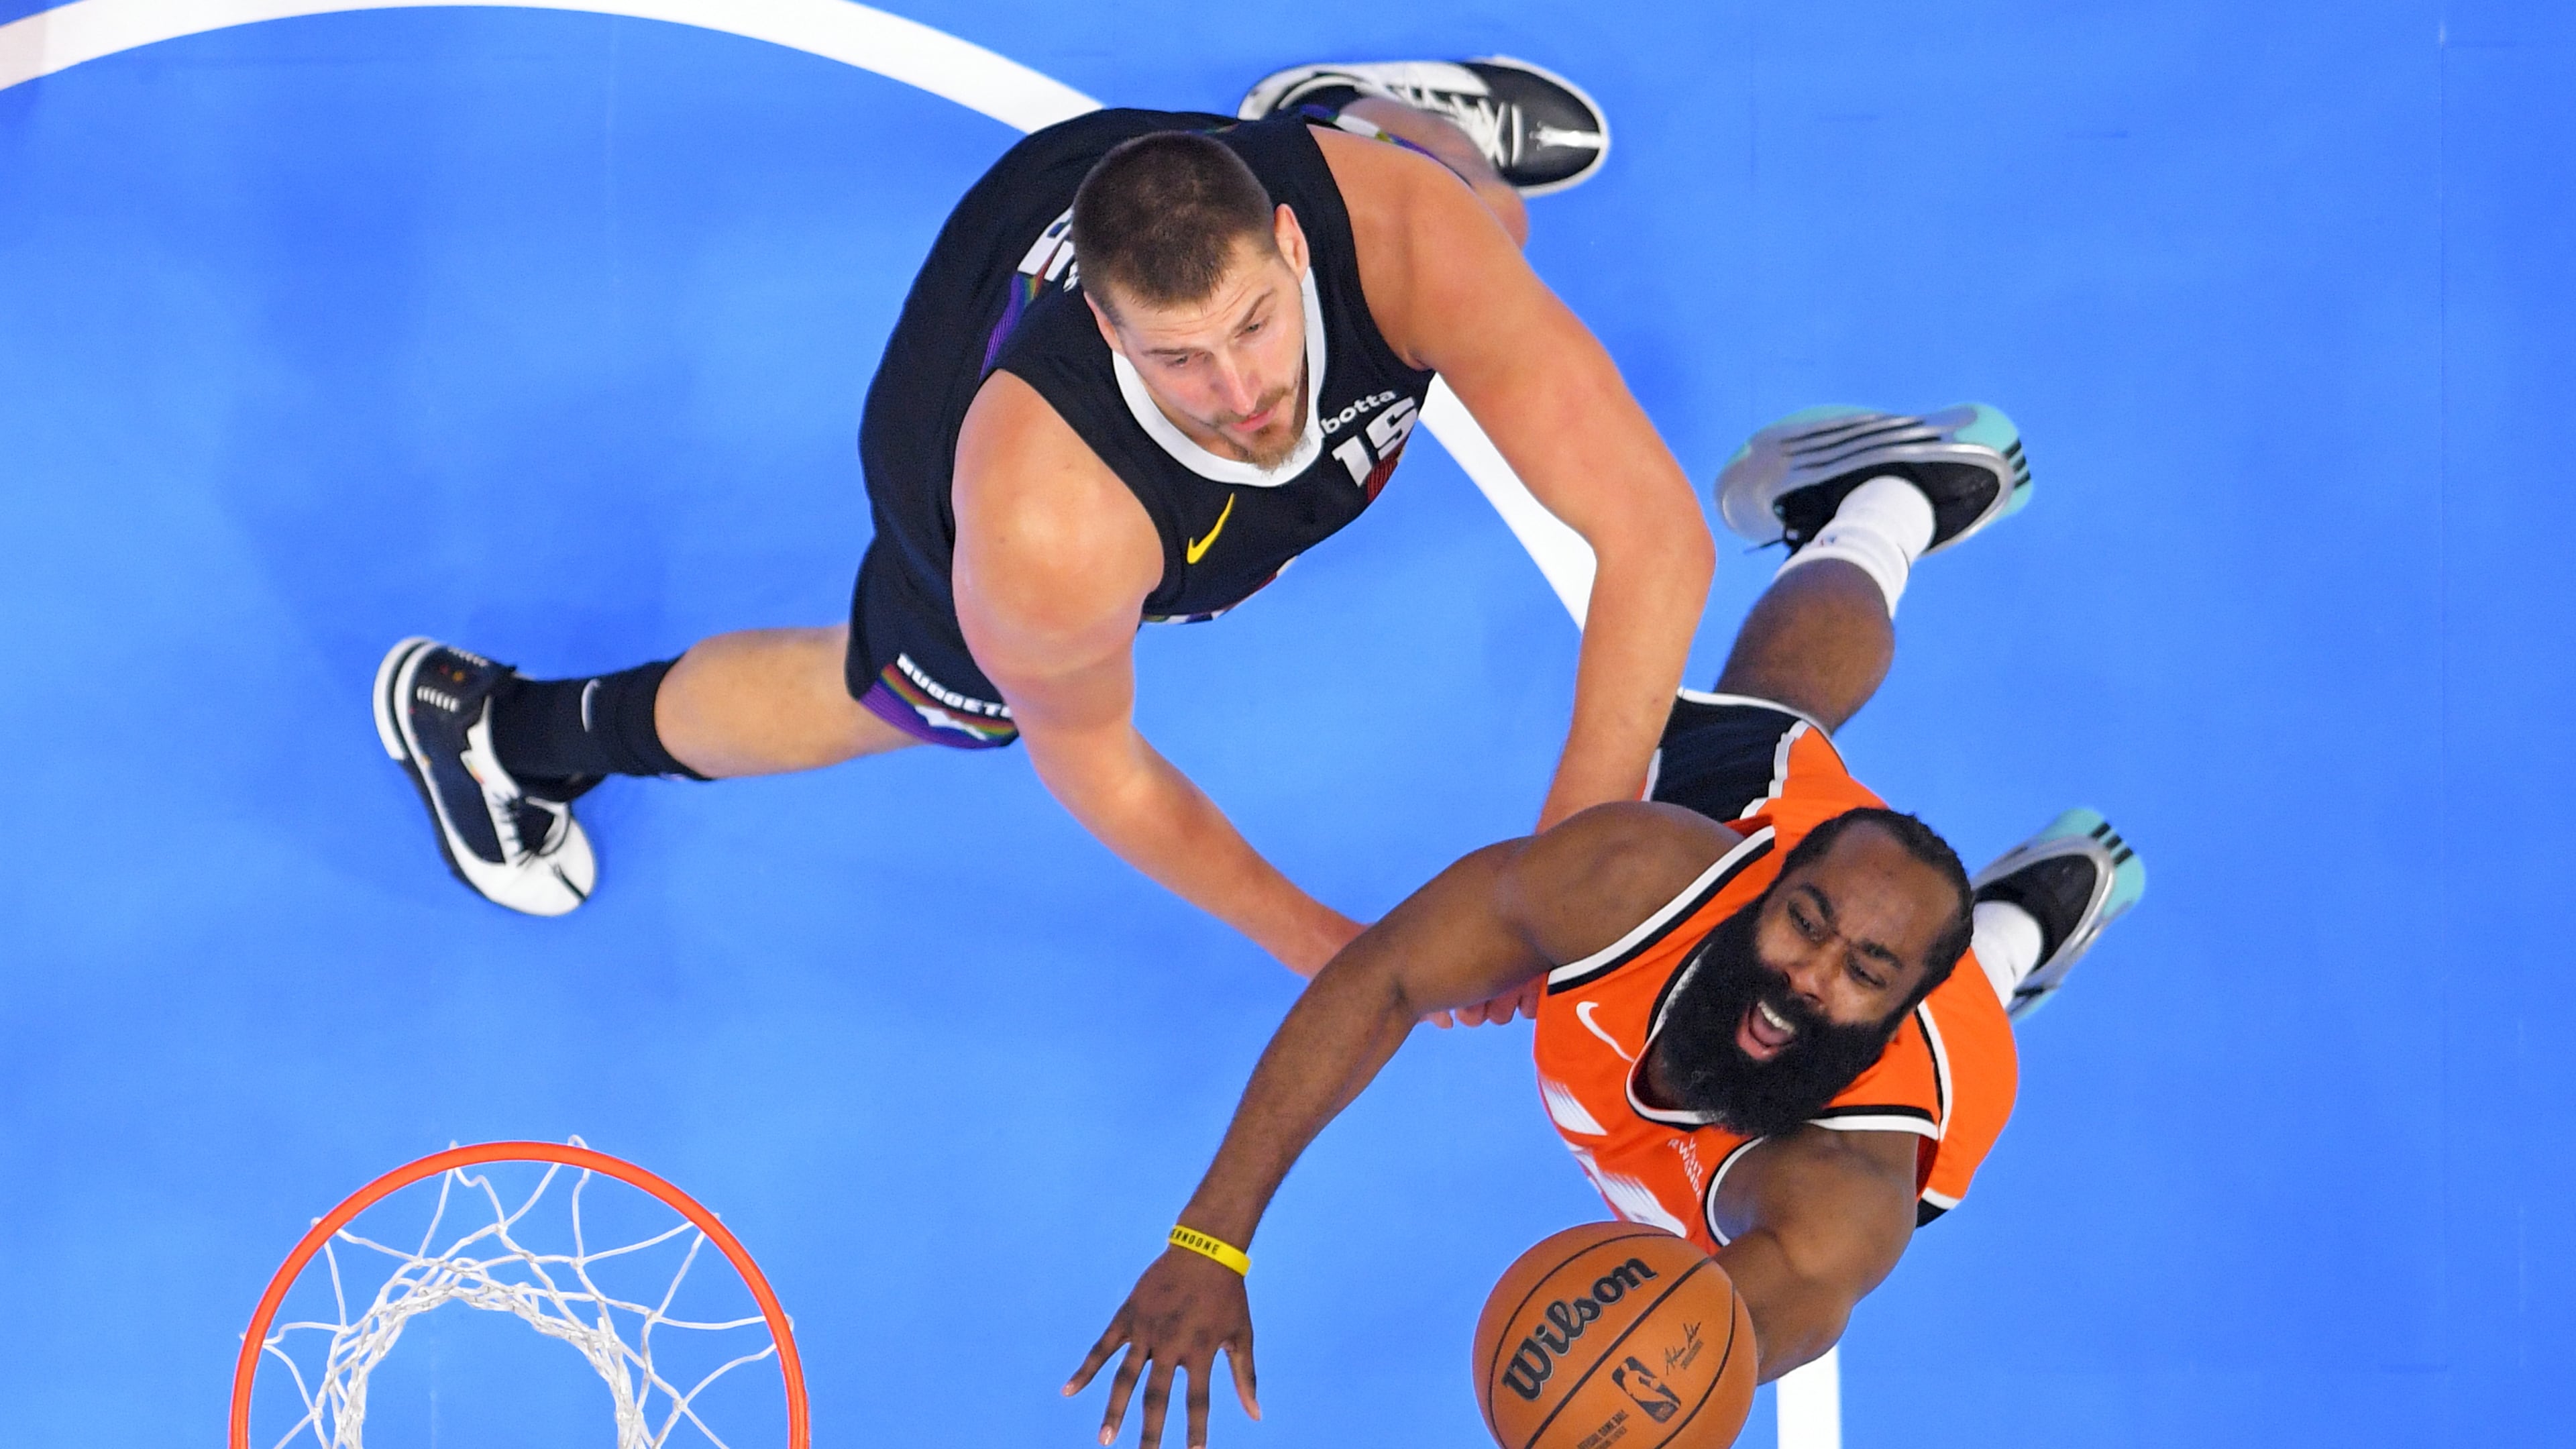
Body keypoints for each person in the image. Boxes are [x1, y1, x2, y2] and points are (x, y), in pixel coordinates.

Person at [371, 56, 1711, 989]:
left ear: (1293, 250)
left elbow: (1659, 538)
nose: (1241, 391)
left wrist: (1557, 880)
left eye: (1252, 326)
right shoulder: (1042, 527)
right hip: (984, 361)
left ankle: (1342, 114)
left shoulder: (1402, 238)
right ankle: (499, 731)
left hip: (1206, 183)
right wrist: (1334, 945)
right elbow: (1102, 766)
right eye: (1183, 358)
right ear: (1109, 328)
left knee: (1487, 213)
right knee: (907, 699)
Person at [1067, 404, 2150, 1449]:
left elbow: (1686, 1369)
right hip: (1757, 855)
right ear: (1762, 880)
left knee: (1980, 996)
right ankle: (1885, 505)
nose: (1807, 974)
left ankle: (2010, 934)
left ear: (1897, 1011)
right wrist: (1212, 1238)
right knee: (1771, 703)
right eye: (1805, 922)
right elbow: (1388, 975)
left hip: (1940, 1063)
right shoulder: (1639, 878)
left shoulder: (1835, 1204)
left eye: (1864, 970)